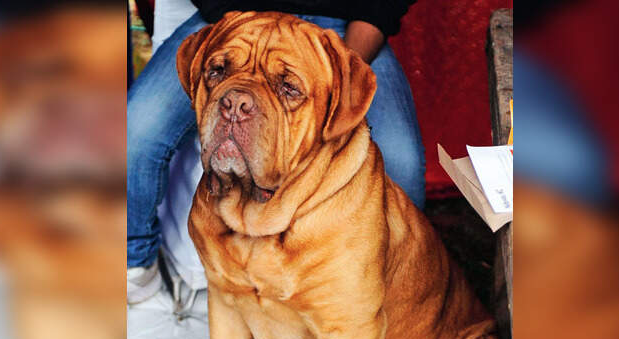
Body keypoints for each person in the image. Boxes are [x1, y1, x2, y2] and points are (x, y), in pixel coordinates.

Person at [127, 1, 426, 304]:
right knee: (135, 132)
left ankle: (386, 297)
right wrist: (239, 25)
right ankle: (135, 258)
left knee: (403, 163)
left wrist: (337, 77)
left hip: (345, 26)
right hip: (240, 19)